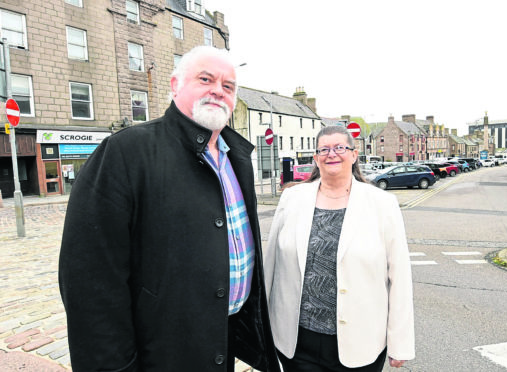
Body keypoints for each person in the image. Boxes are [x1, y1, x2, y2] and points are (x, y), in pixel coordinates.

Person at [58, 46, 280, 372]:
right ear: (175, 85)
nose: (218, 90)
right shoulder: (125, 152)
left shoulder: (238, 158)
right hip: (160, 353)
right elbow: (91, 285)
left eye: (228, 86)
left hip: (222, 339)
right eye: (206, 79)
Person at [264, 126, 415, 371]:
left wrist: (400, 342)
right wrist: (261, 326)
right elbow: (271, 266)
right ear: (315, 158)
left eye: (339, 148)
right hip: (297, 342)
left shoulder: (382, 204)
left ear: (354, 155)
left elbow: (399, 277)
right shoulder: (292, 199)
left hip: (361, 342)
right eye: (324, 149)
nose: (331, 154)